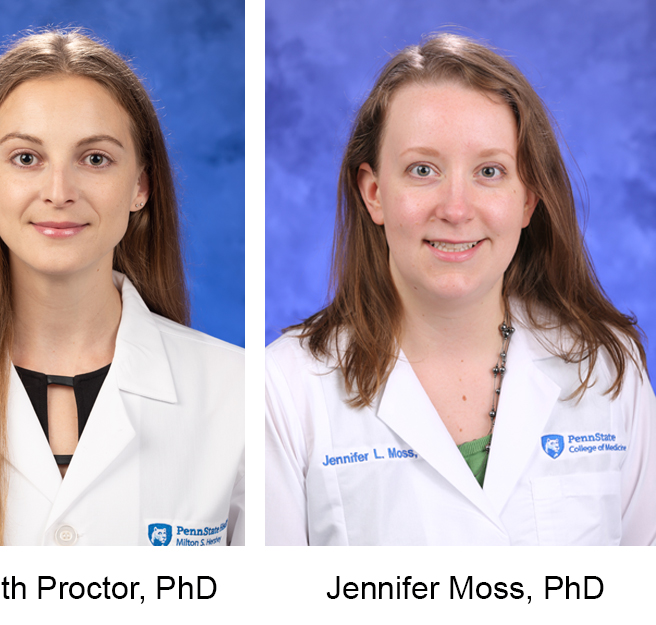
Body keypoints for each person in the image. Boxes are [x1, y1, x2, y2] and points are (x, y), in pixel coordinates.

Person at [265, 33, 656, 545]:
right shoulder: (285, 389)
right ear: (375, 193)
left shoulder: (606, 368)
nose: (454, 208)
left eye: (489, 171)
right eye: (422, 170)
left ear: (527, 200)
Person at [0, 30, 244, 546]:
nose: (59, 193)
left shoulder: (236, 392)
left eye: (95, 159)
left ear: (141, 186)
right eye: (26, 158)